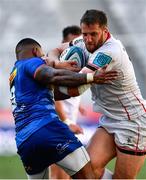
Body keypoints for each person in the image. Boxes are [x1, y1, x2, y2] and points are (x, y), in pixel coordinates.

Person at [47, 9, 146, 179]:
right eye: (85, 34)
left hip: (133, 122)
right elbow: (55, 50)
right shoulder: (82, 42)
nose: (88, 39)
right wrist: (55, 62)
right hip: (109, 119)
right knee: (84, 172)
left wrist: (48, 87)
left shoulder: (109, 51)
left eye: (93, 34)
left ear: (105, 31)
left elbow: (74, 89)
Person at [9, 38, 117, 179]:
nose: (44, 59)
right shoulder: (32, 62)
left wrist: (80, 83)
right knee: (88, 176)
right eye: (42, 55)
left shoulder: (14, 74)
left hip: (24, 142)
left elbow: (56, 93)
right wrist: (90, 77)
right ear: (35, 51)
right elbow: (51, 75)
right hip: (47, 128)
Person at [51, 25, 86, 179]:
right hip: (60, 125)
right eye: (71, 43)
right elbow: (54, 98)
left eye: (78, 43)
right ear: (63, 43)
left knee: (68, 172)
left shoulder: (76, 66)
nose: (75, 49)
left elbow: (69, 94)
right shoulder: (59, 67)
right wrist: (67, 122)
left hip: (66, 123)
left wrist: (80, 107)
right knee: (60, 172)